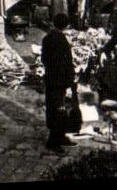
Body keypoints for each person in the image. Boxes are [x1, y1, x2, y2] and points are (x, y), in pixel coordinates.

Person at [40, 13, 81, 152]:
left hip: (51, 79)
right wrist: (70, 83)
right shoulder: (62, 41)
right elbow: (66, 64)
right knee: (60, 111)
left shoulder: (47, 38)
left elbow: (44, 59)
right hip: (61, 82)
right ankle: (54, 142)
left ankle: (60, 136)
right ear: (66, 26)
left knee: (54, 109)